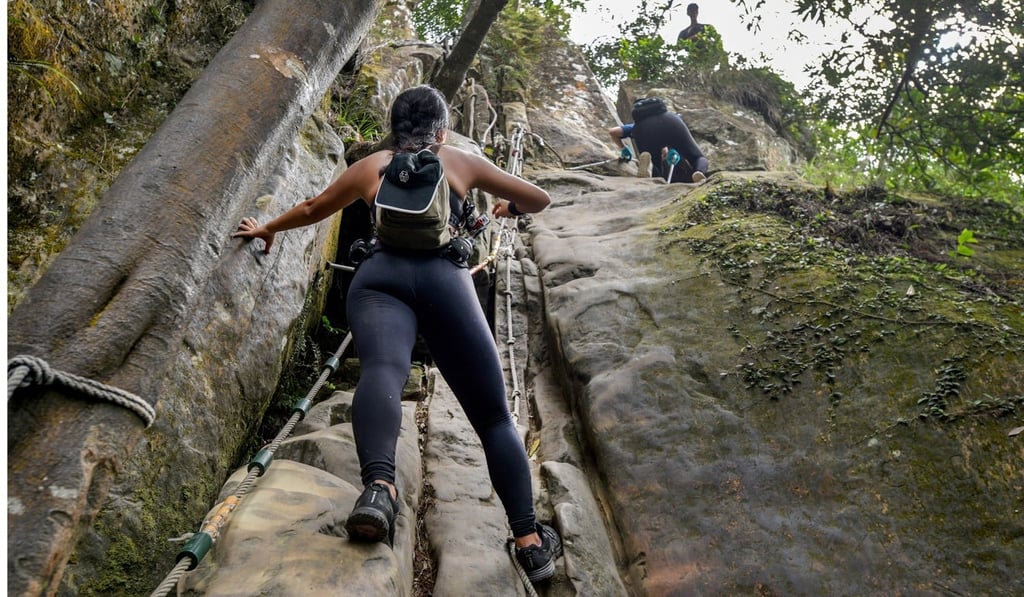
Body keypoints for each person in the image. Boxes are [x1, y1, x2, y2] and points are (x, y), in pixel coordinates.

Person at [232, 85, 562, 583]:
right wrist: (508, 210)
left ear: (394, 127)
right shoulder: (459, 161)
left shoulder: (373, 166)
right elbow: (538, 198)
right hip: (445, 281)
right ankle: (530, 542)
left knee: (382, 371)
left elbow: (313, 208)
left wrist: (267, 229)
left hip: (378, 280)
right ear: (442, 129)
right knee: (493, 414)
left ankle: (378, 491)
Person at [608, 97, 709, 183]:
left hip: (644, 130)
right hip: (672, 123)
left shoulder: (637, 124)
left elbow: (613, 131)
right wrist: (674, 149)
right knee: (697, 157)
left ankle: (649, 170)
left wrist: (623, 149)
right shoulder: (671, 116)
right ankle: (699, 172)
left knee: (654, 162)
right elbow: (673, 134)